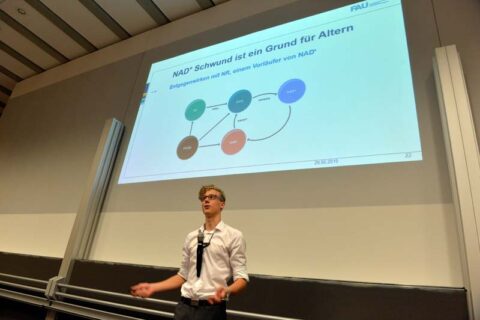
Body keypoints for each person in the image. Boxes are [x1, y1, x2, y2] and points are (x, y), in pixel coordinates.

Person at [131, 185, 248, 320]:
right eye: (203, 198)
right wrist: (153, 287)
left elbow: (241, 278)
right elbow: (183, 275)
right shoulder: (191, 236)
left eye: (211, 197)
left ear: (222, 204)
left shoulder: (234, 236)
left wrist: (226, 290)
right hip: (184, 308)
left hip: (211, 310)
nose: (206, 201)